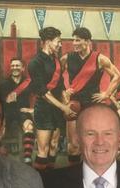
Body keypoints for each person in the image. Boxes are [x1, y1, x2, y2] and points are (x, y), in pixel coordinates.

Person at [60, 27, 120, 164]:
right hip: (74, 103)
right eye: (73, 40)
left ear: (87, 41)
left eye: (78, 40)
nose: (74, 43)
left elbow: (117, 77)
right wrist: (65, 91)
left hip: (93, 104)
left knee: (95, 143)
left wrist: (106, 94)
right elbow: (55, 79)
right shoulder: (66, 58)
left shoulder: (100, 59)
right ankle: (74, 177)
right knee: (73, 146)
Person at [28, 26, 74, 172]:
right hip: (43, 108)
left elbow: (59, 86)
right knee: (43, 149)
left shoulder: (56, 60)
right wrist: (63, 107)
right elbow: (44, 93)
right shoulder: (35, 63)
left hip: (57, 107)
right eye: (58, 42)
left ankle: (51, 176)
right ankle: (41, 181)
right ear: (48, 42)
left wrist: (66, 100)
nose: (60, 45)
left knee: (54, 145)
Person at [0, 57, 35, 164]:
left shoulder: (29, 83)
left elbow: (37, 97)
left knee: (29, 127)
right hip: (7, 112)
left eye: (17, 65)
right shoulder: (4, 83)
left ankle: (27, 158)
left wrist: (32, 109)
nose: (15, 68)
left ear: (23, 68)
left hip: (22, 112)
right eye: (13, 66)